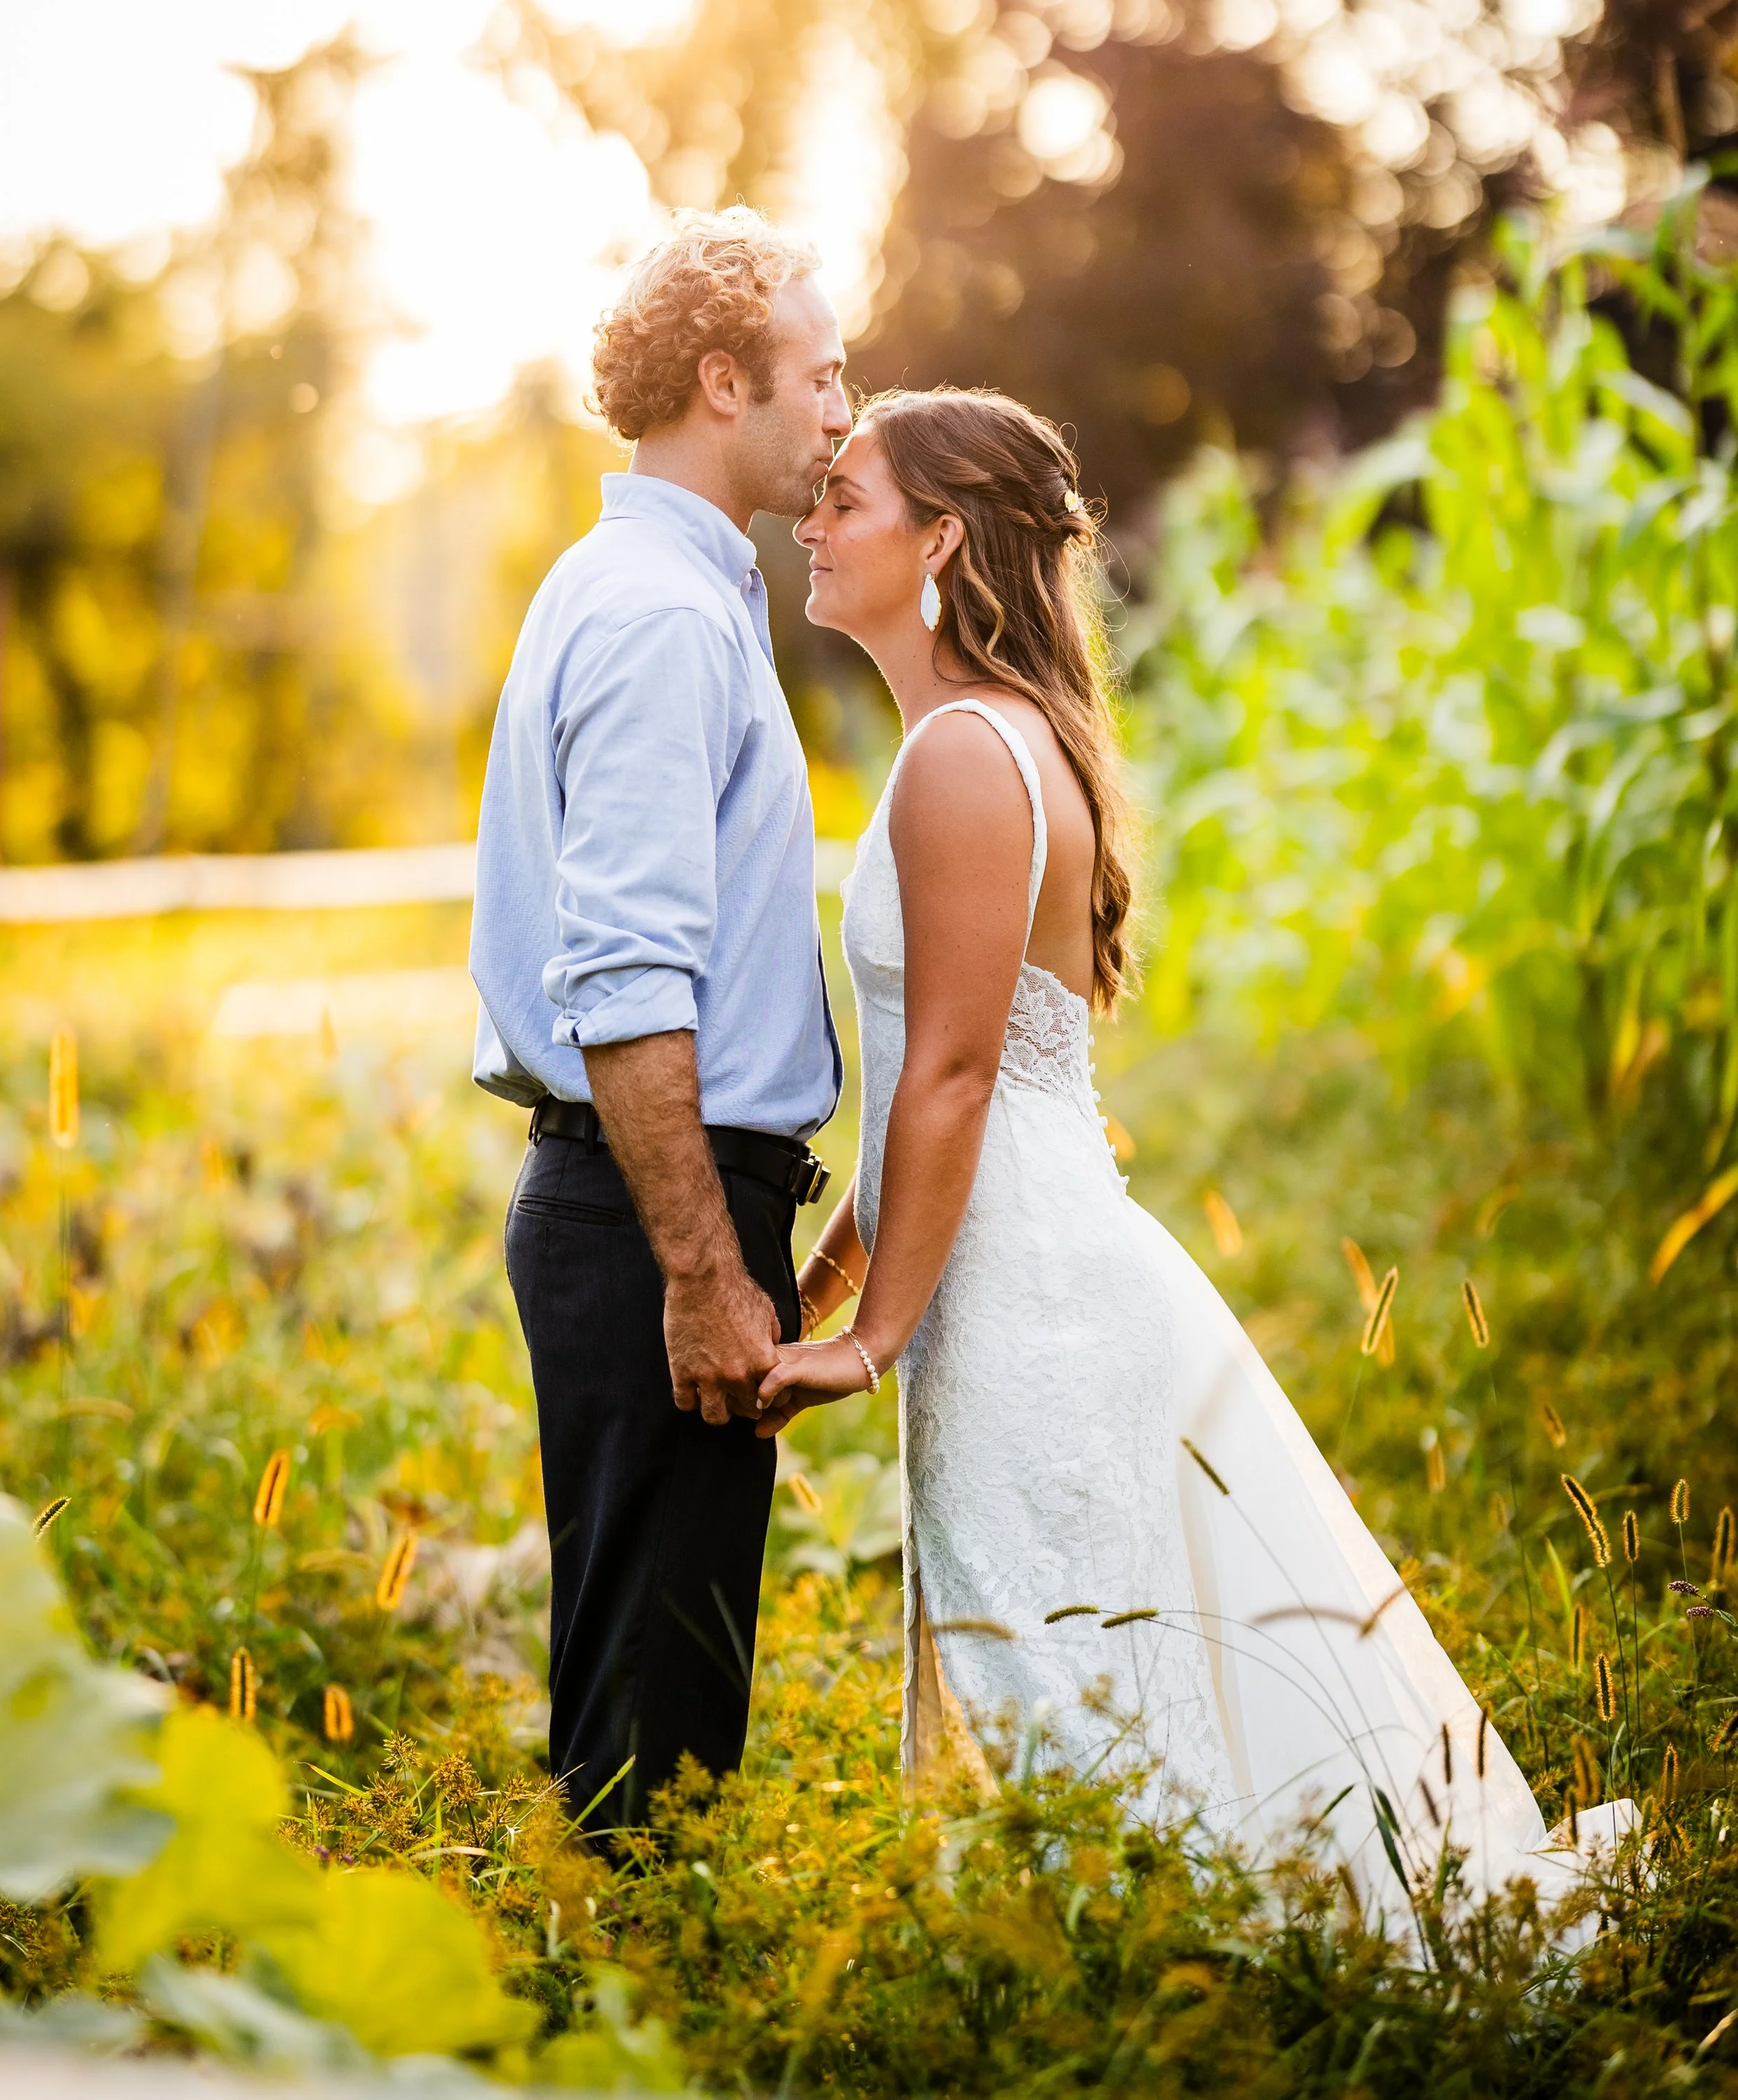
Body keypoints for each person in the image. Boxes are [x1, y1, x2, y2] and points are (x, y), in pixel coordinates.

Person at [759, 385, 1627, 1923]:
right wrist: (817, 1288)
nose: (810, 523)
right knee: (1086, 1640)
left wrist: (869, 1339)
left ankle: (1160, 1967)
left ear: (941, 541)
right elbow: (927, 1079)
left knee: (1056, 1646)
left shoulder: (964, 755)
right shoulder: (989, 738)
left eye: (847, 499)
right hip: (1024, 1254)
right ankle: (1136, 1950)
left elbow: (953, 1080)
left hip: (1019, 1286)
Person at [470, 207, 848, 1840]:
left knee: (647, 1677)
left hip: (649, 1206)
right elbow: (624, 981)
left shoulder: (648, 585)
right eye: (820, 377)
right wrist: (702, 1270)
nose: (843, 411)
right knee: (655, 1732)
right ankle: (634, 2029)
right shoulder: (660, 618)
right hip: (654, 1211)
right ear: (721, 382)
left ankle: (618, 1992)